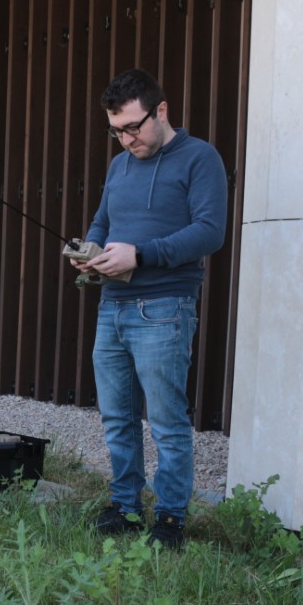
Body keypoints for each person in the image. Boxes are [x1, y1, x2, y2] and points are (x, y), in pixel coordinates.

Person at [70, 68, 227, 549]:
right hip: (112, 305)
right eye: (116, 130)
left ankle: (172, 519)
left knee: (166, 421)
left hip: (164, 307)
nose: (126, 140)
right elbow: (102, 219)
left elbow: (209, 232)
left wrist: (140, 254)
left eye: (134, 127)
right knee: (116, 417)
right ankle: (125, 506)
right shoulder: (120, 166)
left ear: (161, 111)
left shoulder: (200, 158)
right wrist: (91, 249)